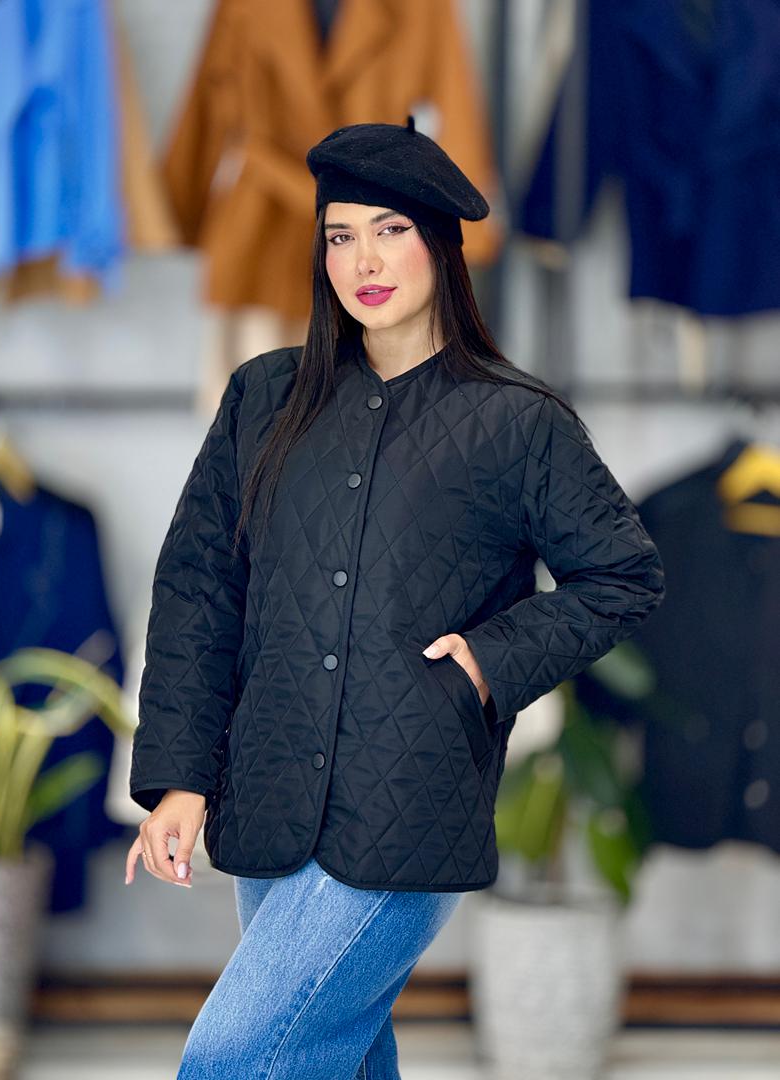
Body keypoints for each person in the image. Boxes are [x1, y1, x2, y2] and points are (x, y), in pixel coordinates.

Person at [124, 116, 666, 1079]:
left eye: (390, 230)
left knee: (236, 1060)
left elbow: (624, 575)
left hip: (409, 796)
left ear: (441, 245)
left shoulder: (517, 422)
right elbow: (200, 590)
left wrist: (487, 661)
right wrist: (180, 778)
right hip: (270, 790)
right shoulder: (263, 398)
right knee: (333, 1059)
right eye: (340, 235)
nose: (363, 260)